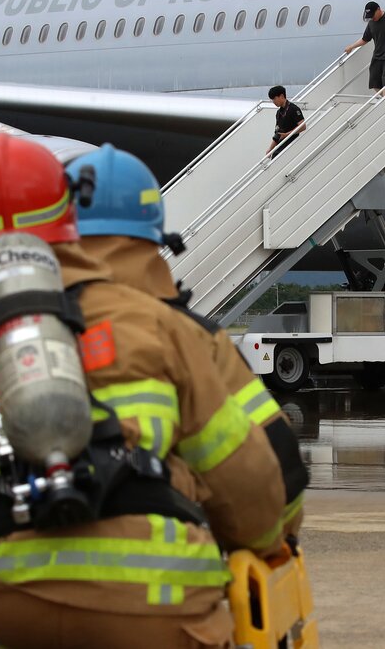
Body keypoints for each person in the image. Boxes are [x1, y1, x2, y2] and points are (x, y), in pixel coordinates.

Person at [0, 135, 288, 647]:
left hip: (11, 609)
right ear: (67, 215)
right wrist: (265, 542)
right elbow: (243, 478)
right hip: (157, 605)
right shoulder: (153, 322)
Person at [64, 144, 309, 543]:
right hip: (159, 588)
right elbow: (270, 467)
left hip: (5, 591)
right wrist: (273, 541)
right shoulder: (189, 338)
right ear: (154, 232)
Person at [266, 85, 305, 156]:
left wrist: (287, 134)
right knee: (274, 156)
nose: (273, 102)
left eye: (274, 99)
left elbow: (303, 126)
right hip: (281, 144)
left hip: (291, 143)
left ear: (281, 96)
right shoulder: (279, 113)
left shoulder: (293, 109)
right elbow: (277, 134)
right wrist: (270, 149)